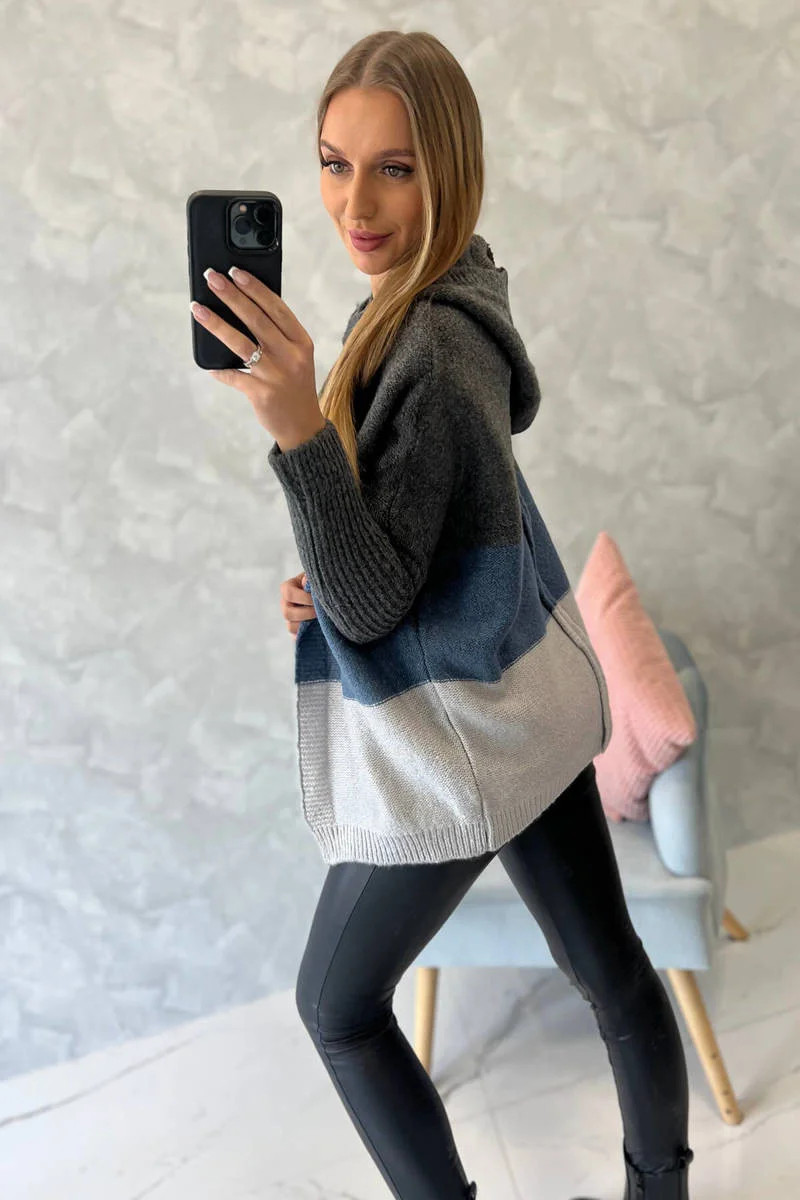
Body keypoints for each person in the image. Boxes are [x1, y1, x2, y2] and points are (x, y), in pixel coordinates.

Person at [271, 29, 694, 1200]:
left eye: (393, 169)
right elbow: (412, 545)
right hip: (530, 707)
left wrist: (294, 426)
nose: (355, 204)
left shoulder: (433, 344)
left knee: (335, 1008)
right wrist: (323, 575)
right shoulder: (441, 293)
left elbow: (377, 605)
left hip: (467, 742)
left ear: (447, 171)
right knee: (613, 972)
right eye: (333, 163)